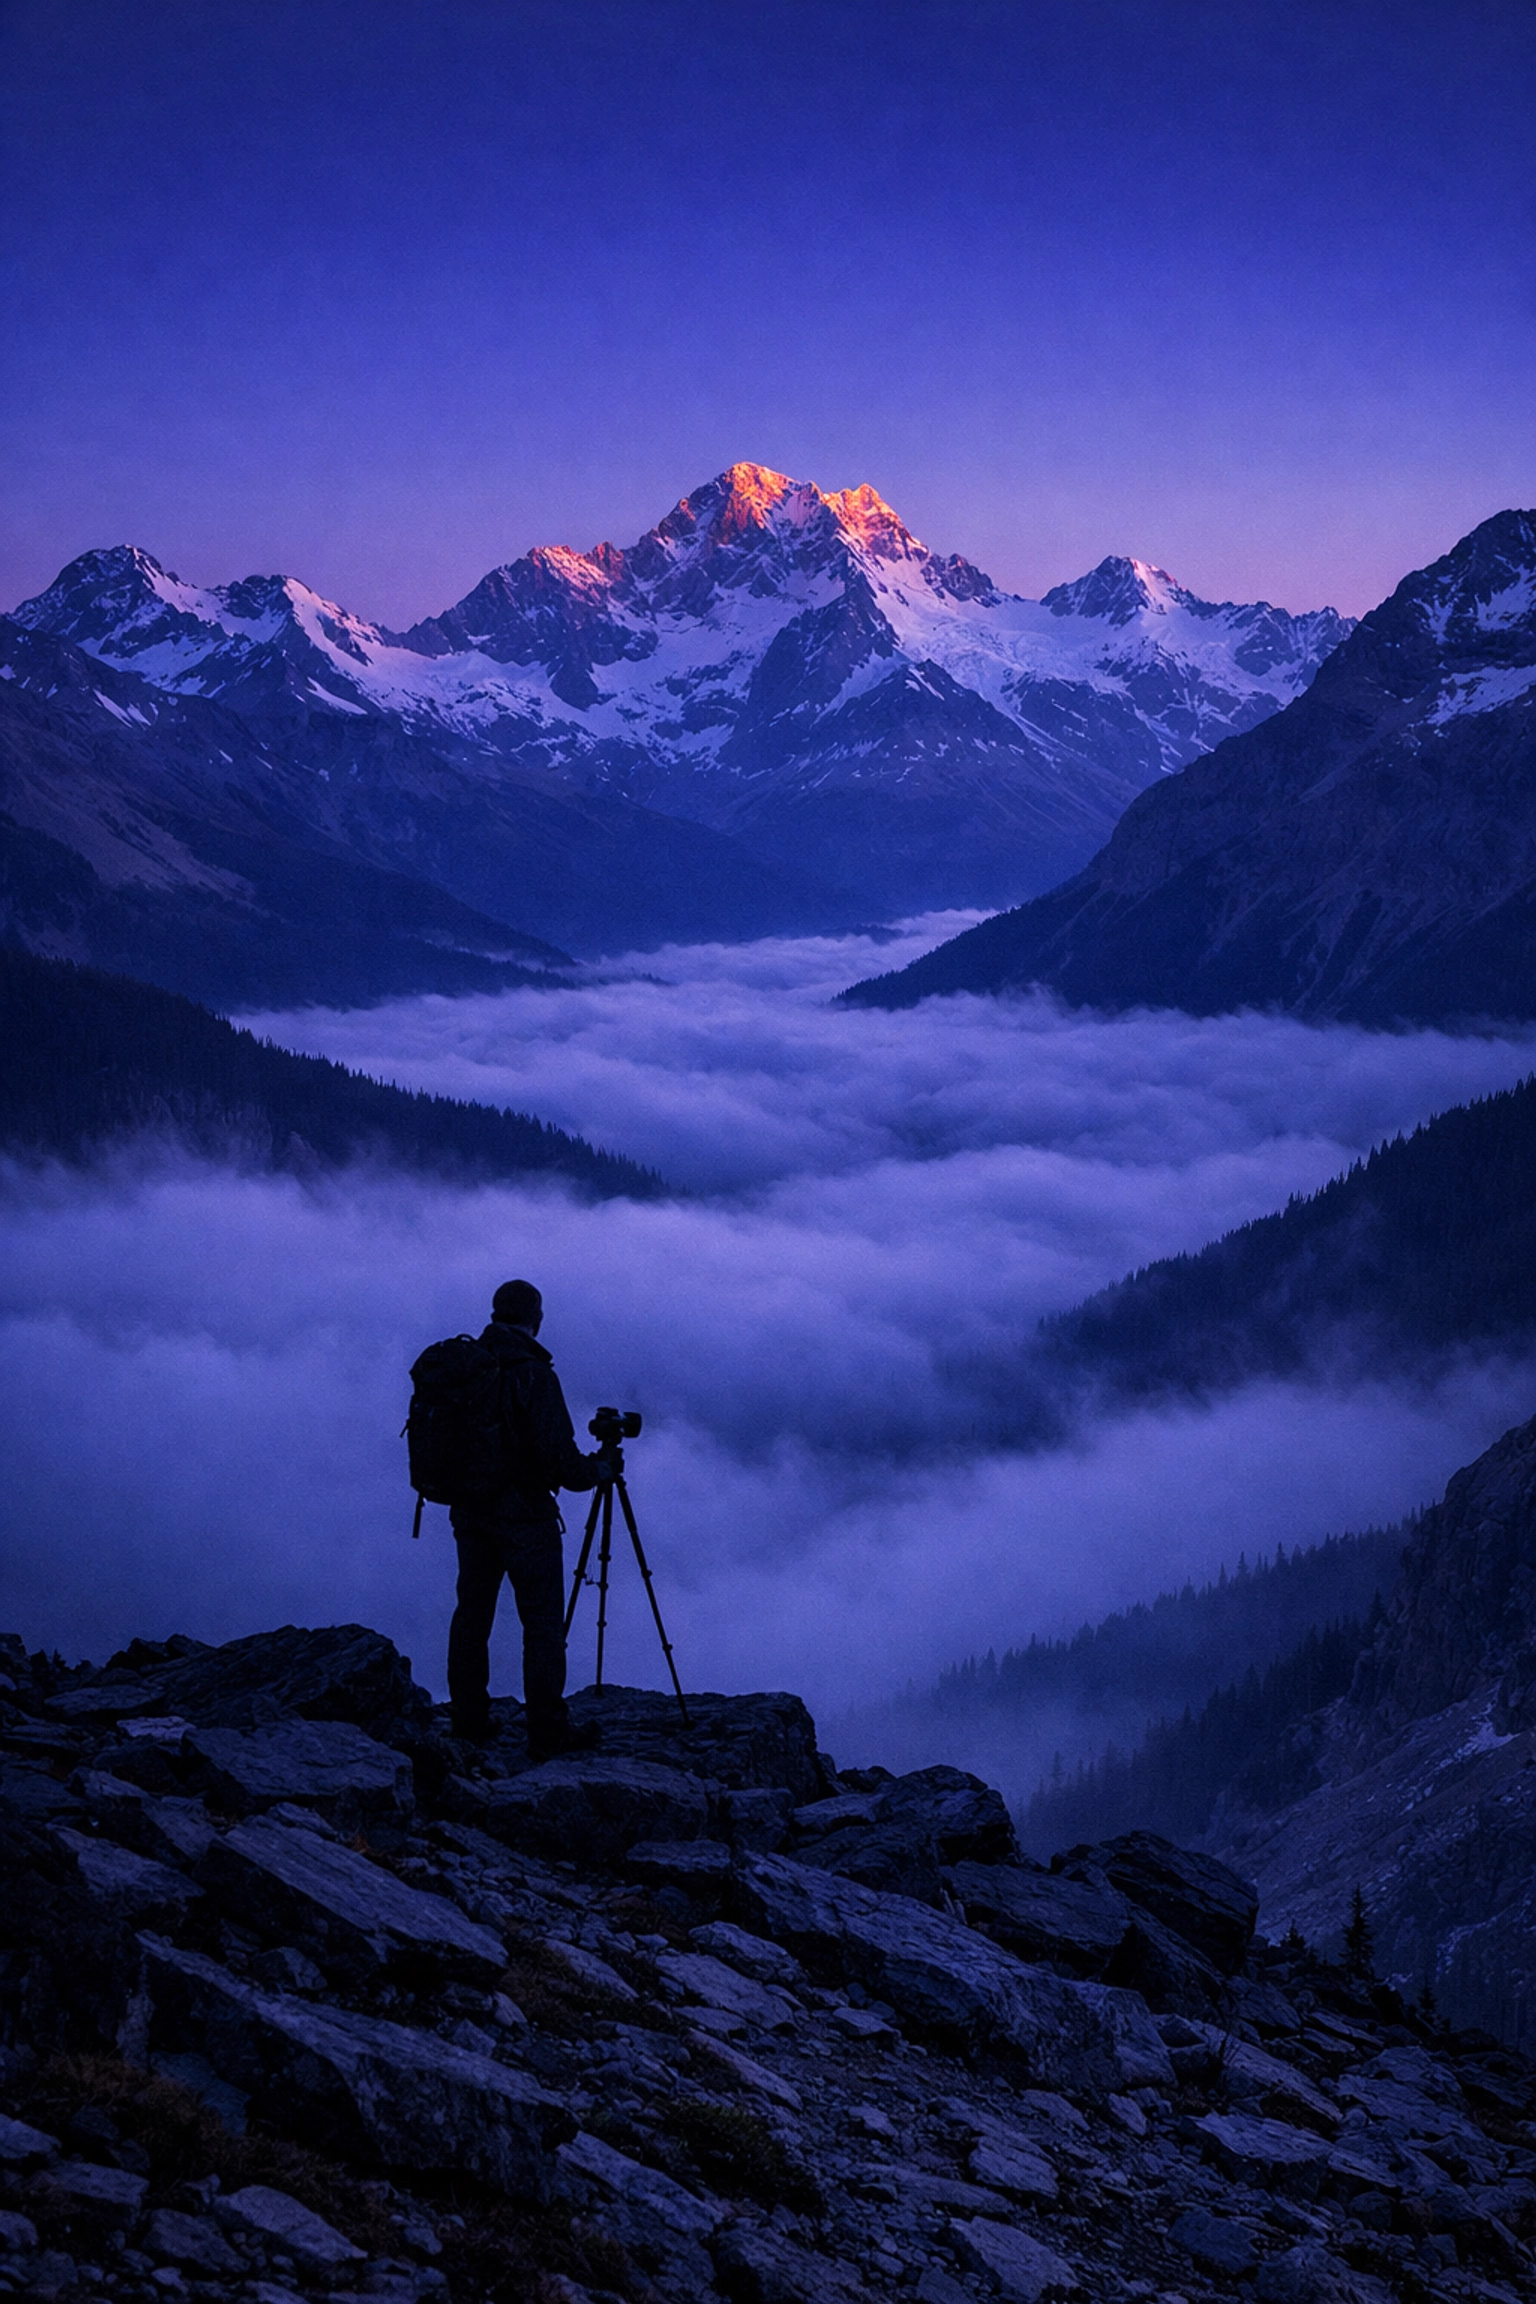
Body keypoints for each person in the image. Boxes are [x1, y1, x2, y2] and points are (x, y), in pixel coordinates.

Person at [447, 1278, 612, 1758]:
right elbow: (558, 1460)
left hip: (470, 1512)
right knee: (540, 1624)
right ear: (535, 1319)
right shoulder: (533, 1374)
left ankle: (467, 1720)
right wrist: (597, 1471)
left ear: (496, 1313)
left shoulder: (468, 1365)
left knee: (471, 1615)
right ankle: (547, 1732)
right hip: (524, 1518)